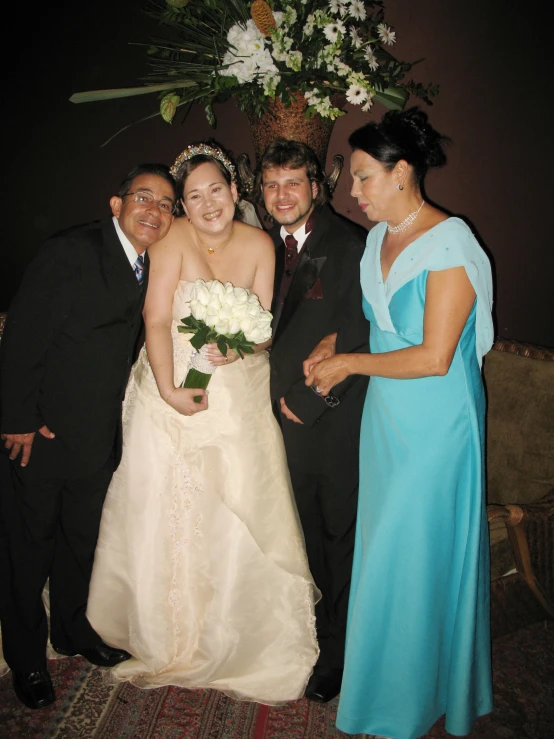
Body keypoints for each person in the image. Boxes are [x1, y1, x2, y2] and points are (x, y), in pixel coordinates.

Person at [85, 141, 319, 704]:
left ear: (235, 192)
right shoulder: (173, 239)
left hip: (235, 395)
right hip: (167, 384)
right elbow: (158, 317)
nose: (208, 202)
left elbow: (263, 327)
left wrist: (235, 349)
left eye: (217, 189)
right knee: (165, 504)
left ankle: (239, 634)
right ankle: (164, 627)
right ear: (183, 205)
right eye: (194, 195)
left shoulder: (261, 243)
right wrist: (169, 389)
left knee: (232, 506)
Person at [304, 108, 494, 738]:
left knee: (416, 554)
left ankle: (411, 702)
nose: (352, 193)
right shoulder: (377, 239)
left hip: (437, 425)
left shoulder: (451, 244)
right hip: (386, 418)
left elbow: (437, 356)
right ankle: (386, 685)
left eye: (362, 178)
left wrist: (352, 363)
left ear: (402, 171)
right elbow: (380, 321)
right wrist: (336, 343)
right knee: (384, 552)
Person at [0, 163, 201, 710]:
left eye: (165, 203)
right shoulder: (71, 250)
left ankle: (71, 631)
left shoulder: (147, 265)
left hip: (95, 437)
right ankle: (26, 658)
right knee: (27, 551)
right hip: (40, 434)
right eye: (143, 198)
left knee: (78, 545)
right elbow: (21, 332)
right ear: (116, 204)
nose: (154, 210)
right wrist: (17, 417)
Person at [256, 139, 369, 703]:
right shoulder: (264, 247)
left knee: (334, 539)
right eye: (272, 184)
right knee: (295, 535)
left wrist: (312, 399)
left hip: (329, 424)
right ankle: (302, 635)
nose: (282, 195)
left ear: (315, 188)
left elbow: (364, 328)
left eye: (293, 183)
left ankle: (338, 656)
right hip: (272, 422)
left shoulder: (348, 244)